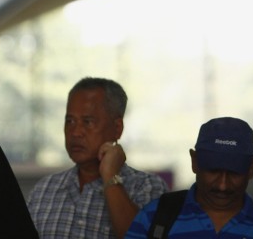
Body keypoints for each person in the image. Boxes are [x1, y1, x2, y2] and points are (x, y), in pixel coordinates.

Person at [27, 77, 166, 239]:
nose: (76, 132)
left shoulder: (146, 187)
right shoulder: (44, 190)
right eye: (69, 121)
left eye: (88, 122)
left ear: (117, 128)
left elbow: (138, 236)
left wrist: (110, 176)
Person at [125, 117, 253, 239]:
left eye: (234, 173)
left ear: (251, 168)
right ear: (194, 161)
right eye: (213, 171)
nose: (223, 185)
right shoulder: (155, 218)